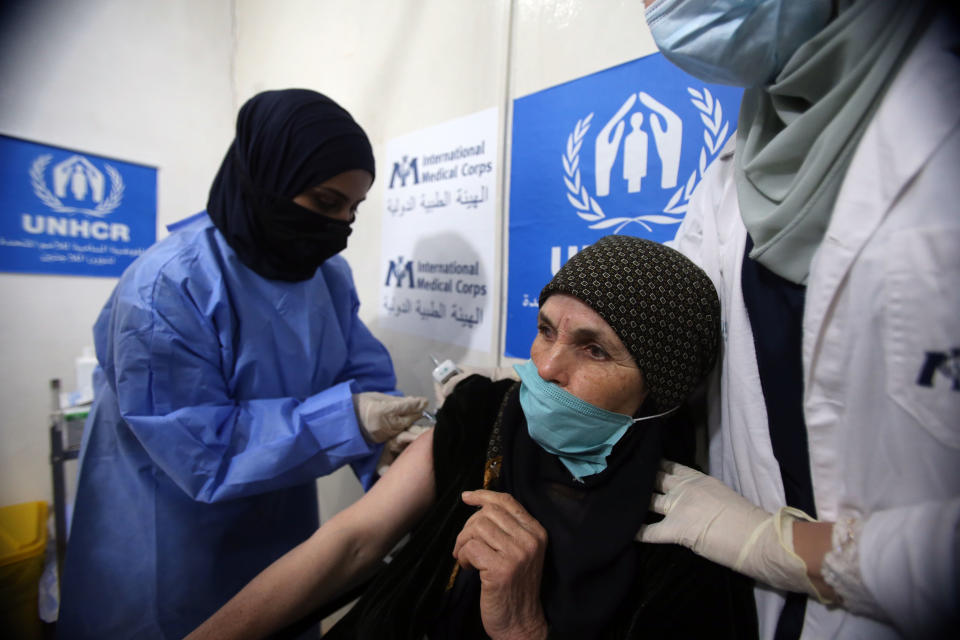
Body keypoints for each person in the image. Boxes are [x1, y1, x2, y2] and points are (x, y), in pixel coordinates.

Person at [188, 235, 759, 640]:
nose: (548, 365)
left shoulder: (680, 541)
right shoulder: (485, 416)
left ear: (657, 394)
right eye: (545, 330)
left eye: (594, 349)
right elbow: (353, 540)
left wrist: (521, 627)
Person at [636, 1, 960, 638]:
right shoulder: (736, 171)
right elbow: (664, 329)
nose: (652, 7)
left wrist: (789, 549)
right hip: (753, 610)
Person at [58, 89, 427, 639]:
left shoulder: (328, 277)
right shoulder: (168, 286)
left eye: (353, 209)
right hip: (171, 547)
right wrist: (349, 422)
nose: (340, 226)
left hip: (278, 537)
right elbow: (201, 450)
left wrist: (393, 446)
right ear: (267, 178)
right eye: (327, 204)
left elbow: (361, 378)